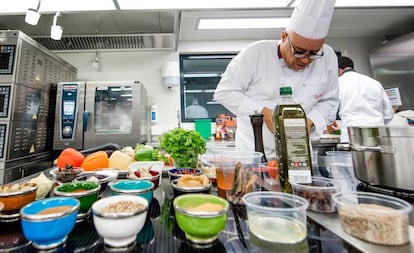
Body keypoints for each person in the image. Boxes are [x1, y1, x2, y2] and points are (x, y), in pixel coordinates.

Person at [213, 0, 339, 158]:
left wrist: (310, 121)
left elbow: (330, 100)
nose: (306, 60)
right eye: (299, 51)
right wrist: (263, 112)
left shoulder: (328, 57)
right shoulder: (255, 54)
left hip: (299, 151)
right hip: (254, 152)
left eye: (314, 53)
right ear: (284, 37)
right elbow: (225, 92)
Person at [330, 56, 393, 143]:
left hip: (352, 135)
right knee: (378, 156)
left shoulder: (338, 83)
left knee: (356, 156)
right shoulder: (374, 82)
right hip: (378, 134)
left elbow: (331, 111)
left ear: (337, 69)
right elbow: (388, 114)